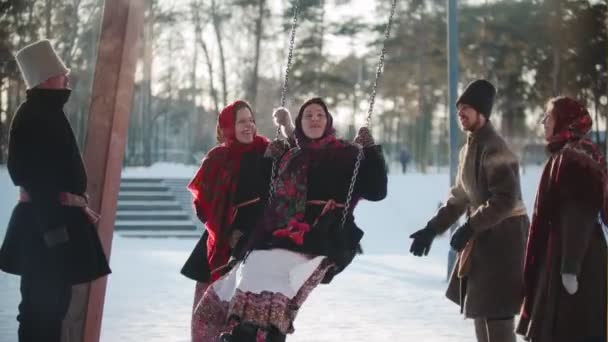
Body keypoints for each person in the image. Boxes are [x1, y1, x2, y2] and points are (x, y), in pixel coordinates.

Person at [193, 97, 388, 342]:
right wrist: (268, 161)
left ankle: (265, 333)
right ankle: (245, 333)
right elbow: (265, 192)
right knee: (255, 265)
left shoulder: (347, 153)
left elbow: (377, 191)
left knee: (285, 277)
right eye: (308, 115)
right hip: (285, 233)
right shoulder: (291, 156)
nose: (315, 119)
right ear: (300, 123)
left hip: (325, 235)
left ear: (328, 121)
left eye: (320, 115)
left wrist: (370, 151)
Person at [0, 39, 111, 342]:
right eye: (61, 71)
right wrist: (55, 233)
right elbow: (37, 178)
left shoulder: (44, 112)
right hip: (45, 231)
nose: (66, 76)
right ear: (47, 76)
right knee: (41, 311)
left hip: (49, 228)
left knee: (51, 309)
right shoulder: (36, 115)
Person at [409, 79, 528, 342]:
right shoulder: (468, 149)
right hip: (482, 238)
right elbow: (459, 197)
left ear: (482, 113)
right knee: (480, 307)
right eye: (458, 108)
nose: (460, 113)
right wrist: (432, 229)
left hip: (505, 240)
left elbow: (505, 199)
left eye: (467, 108)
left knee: (496, 312)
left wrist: (470, 226)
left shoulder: (495, 147)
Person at [182, 100, 294, 342]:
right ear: (227, 127)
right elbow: (204, 203)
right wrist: (225, 232)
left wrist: (287, 127)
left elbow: (300, 162)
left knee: (250, 321)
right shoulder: (218, 158)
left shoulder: (267, 149)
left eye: (251, 120)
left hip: (258, 245)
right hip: (221, 244)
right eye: (241, 121)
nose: (249, 126)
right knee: (209, 318)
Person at [516, 96, 607, 342]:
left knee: (570, 329)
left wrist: (570, 268)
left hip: (576, 262)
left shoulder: (575, 159)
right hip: (563, 255)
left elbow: (579, 212)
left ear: (564, 122)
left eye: (549, 117)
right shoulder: (565, 155)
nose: (544, 121)